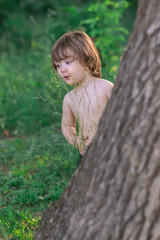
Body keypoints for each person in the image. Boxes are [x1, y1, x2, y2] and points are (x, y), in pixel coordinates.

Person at [51, 30, 114, 162]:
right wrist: (77, 143)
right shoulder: (69, 98)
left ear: (86, 61)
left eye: (68, 62)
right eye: (58, 65)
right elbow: (67, 126)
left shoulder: (106, 88)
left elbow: (122, 116)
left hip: (111, 150)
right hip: (87, 154)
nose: (62, 70)